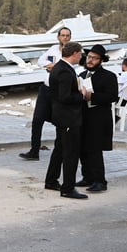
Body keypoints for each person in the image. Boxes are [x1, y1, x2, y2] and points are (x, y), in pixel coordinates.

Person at [43, 42, 87, 199]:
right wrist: (81, 95)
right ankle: (68, 187)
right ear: (74, 53)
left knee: (60, 149)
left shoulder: (61, 68)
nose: (81, 56)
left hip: (62, 116)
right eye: (80, 53)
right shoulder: (65, 71)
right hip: (68, 117)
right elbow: (65, 96)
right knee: (70, 153)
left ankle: (51, 180)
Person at [20, 26, 71, 160]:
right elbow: (41, 61)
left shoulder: (73, 51)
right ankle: (34, 150)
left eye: (67, 36)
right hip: (46, 88)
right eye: (63, 35)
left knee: (58, 121)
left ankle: (60, 150)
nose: (65, 38)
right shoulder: (53, 49)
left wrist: (55, 67)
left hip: (59, 91)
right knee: (37, 120)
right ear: (58, 37)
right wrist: (52, 66)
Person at [76, 44, 118, 193]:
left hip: (99, 119)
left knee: (95, 150)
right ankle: (87, 176)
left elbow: (112, 96)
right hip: (83, 117)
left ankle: (100, 180)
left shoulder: (108, 76)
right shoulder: (81, 76)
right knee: (82, 149)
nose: (91, 60)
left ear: (101, 60)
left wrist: (92, 96)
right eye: (89, 57)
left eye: (94, 58)